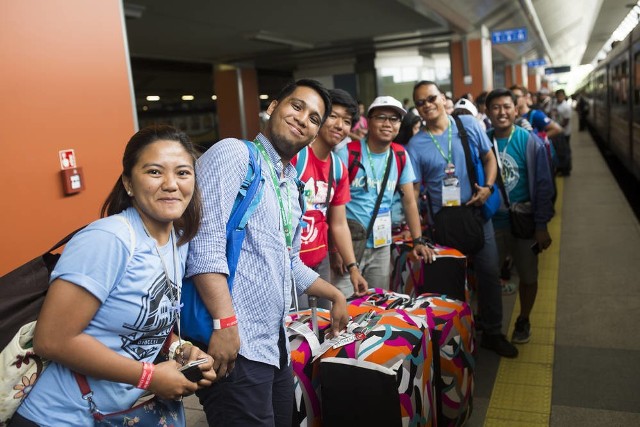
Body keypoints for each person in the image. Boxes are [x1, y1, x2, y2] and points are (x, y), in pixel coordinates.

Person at [14, 126, 216, 426]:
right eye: (154, 172)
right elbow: (52, 340)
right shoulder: (109, 239)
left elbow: (133, 324)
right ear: (128, 183)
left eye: (183, 173)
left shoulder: (178, 241)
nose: (171, 184)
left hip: (115, 414)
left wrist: (178, 348)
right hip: (56, 417)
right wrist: (149, 376)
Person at [186, 79, 349, 427]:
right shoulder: (234, 154)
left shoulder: (291, 184)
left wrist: (335, 293)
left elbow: (288, 264)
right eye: (297, 106)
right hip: (235, 343)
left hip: (272, 343)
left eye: (314, 118)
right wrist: (225, 324)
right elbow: (203, 244)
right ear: (273, 107)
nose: (304, 119)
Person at [407, 81, 519, 358]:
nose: (427, 105)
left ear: (443, 98)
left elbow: (489, 158)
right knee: (451, 284)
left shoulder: (467, 125)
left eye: (431, 98)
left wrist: (489, 187)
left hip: (475, 214)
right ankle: (455, 341)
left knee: (489, 274)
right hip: (442, 223)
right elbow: (413, 193)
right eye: (420, 102)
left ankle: (493, 332)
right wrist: (417, 236)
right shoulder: (416, 144)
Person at [335, 96, 436, 292]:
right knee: (345, 308)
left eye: (394, 119)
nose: (387, 124)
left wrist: (418, 241)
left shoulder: (400, 155)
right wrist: (334, 250)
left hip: (381, 245)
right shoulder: (347, 154)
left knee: (376, 305)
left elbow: (409, 202)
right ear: (369, 120)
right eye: (381, 117)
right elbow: (331, 208)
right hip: (348, 246)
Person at [485, 88, 554, 344]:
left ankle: (523, 319)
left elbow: (544, 186)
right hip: (493, 221)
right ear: (487, 112)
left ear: (516, 109)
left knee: (528, 275)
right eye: (495, 107)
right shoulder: (484, 140)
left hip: (525, 221)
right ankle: (492, 324)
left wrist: (541, 225)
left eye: (506, 107)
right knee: (489, 275)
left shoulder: (529, 141)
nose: (501, 112)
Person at [291, 88, 368, 304]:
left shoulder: (338, 168)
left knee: (323, 324)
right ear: (320, 116)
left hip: (320, 263)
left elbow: (339, 223)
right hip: (289, 265)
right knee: (297, 330)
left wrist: (353, 267)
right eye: (333, 116)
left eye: (346, 120)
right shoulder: (297, 157)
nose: (339, 125)